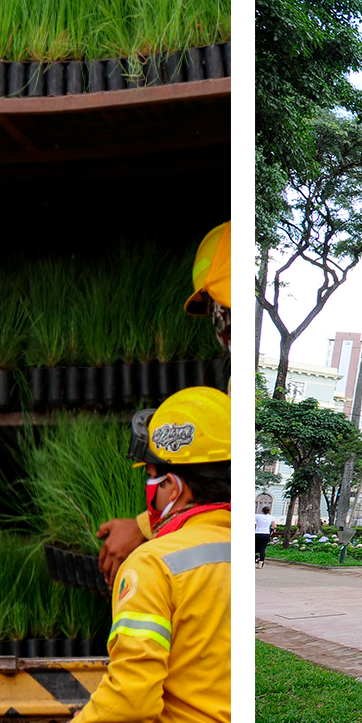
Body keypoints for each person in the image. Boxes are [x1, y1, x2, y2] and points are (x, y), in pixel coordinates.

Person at [36, 386, 231, 723]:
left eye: (151, 476)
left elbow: (134, 695)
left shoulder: (154, 566)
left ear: (175, 488)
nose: (147, 487)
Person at [97, 224, 233, 585]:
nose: (221, 329)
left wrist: (146, 529)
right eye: (215, 315)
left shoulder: (153, 568)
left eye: (222, 311)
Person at [252, 499, 274, 567]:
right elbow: (274, 526)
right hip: (266, 534)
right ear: (269, 511)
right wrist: (272, 530)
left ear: (262, 511)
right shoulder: (271, 517)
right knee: (262, 549)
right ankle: (260, 564)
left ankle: (254, 558)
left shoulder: (257, 516)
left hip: (257, 533)